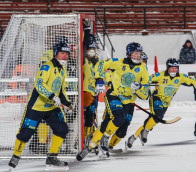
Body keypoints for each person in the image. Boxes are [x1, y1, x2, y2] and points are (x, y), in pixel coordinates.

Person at [76, 42, 150, 161]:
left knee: (116, 123)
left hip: (128, 101)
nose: (138, 56)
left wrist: (139, 88)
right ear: (129, 54)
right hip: (114, 96)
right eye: (135, 53)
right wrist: (99, 79)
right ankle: (101, 140)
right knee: (118, 118)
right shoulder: (118, 62)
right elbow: (100, 65)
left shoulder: (143, 68)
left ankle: (94, 145)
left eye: (139, 53)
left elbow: (145, 94)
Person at [8, 41, 73, 170]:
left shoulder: (62, 70)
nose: (65, 56)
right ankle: (16, 156)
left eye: (67, 53)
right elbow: (39, 85)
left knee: (62, 129)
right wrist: (52, 96)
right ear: (55, 53)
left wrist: (67, 103)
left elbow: (61, 91)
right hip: (37, 107)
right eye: (62, 53)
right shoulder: (47, 67)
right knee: (26, 133)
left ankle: (52, 157)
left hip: (51, 107)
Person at [126, 58, 196, 148]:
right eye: (172, 68)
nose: (174, 70)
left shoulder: (181, 77)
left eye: (176, 68)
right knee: (158, 116)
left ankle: (136, 135)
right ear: (167, 68)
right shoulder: (160, 75)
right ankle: (141, 134)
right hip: (156, 97)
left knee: (154, 119)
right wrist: (139, 84)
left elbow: (195, 82)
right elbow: (148, 79)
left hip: (166, 102)